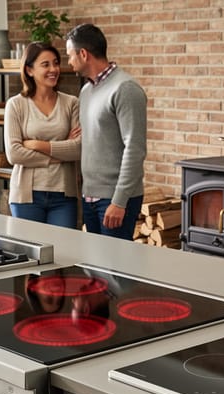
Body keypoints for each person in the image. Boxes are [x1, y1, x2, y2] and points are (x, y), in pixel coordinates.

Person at [65, 23, 147, 240]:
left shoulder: (125, 89)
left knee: (116, 262)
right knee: (96, 261)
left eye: (70, 55)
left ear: (84, 54)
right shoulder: (86, 91)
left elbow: (135, 148)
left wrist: (119, 201)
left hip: (115, 199)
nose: (69, 61)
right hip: (90, 197)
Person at [4, 42, 81, 228]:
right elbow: (14, 154)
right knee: (29, 247)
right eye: (46, 64)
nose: (53, 69)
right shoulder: (16, 105)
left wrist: (38, 145)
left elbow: (78, 149)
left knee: (64, 246)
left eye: (56, 63)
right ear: (29, 70)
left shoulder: (71, 103)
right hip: (26, 196)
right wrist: (60, 154)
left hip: (64, 196)